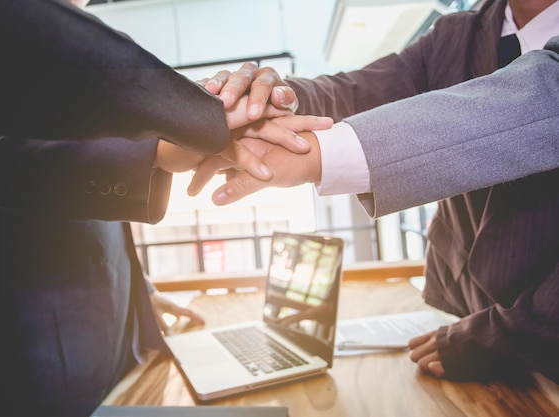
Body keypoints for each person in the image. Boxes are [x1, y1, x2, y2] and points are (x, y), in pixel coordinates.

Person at [0, 1, 335, 416]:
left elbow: (92, 221)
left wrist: (143, 294)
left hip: (120, 341)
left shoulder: (85, 63)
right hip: (22, 359)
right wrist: (159, 151)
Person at [193, 0, 559, 383]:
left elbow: (536, 100)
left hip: (537, 339)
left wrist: (318, 154)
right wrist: (270, 102)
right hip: (465, 316)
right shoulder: (460, 32)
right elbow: (355, 92)